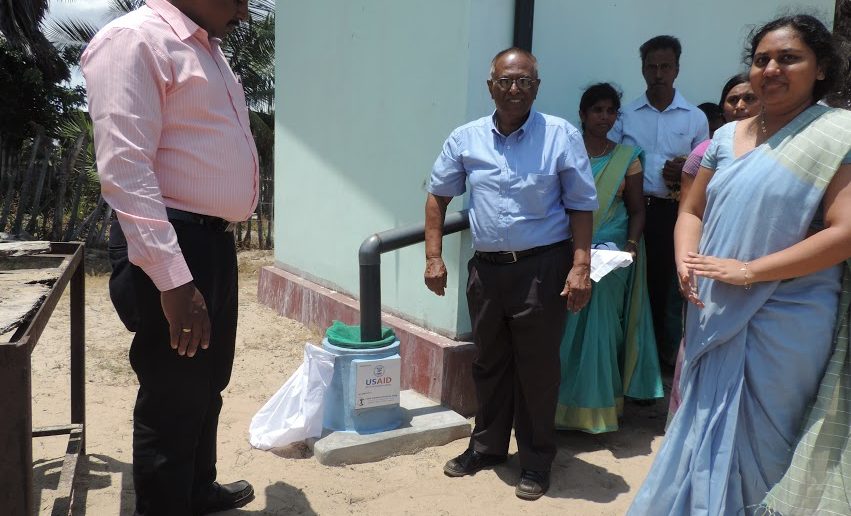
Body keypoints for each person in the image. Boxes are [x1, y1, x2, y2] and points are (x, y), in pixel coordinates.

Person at [629, 15, 851, 515]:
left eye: (789, 58)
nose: (771, 69)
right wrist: (687, 259)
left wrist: (750, 272)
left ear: (821, 69)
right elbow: (692, 209)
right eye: (761, 59)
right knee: (700, 425)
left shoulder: (837, 133)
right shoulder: (727, 136)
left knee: (768, 439)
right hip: (712, 301)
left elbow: (845, 232)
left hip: (787, 315)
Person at [82, 0, 259, 513]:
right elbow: (125, 170)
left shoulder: (207, 50)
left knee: (208, 385)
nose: (246, 13)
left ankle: (197, 490)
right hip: (171, 245)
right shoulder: (134, 40)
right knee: (173, 399)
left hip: (212, 244)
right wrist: (173, 281)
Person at [424, 47, 598, 501]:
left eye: (524, 81)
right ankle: (487, 447)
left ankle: (537, 461)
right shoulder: (466, 138)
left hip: (543, 269)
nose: (515, 89)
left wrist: (581, 267)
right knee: (489, 362)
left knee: (537, 369)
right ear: (491, 86)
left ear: (537, 86)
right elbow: (438, 196)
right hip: (487, 272)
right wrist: (433, 255)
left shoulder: (560, 135)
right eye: (506, 81)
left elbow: (581, 205)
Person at [555, 83, 662, 434]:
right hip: (568, 249)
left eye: (610, 110)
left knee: (601, 326)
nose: (604, 117)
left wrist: (630, 246)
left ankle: (597, 412)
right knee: (566, 326)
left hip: (612, 255)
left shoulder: (626, 158)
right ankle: (559, 409)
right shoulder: (565, 152)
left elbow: (636, 210)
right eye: (597, 110)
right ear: (583, 114)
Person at [666, 73, 762, 420]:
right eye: (732, 99)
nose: (739, 106)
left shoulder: (785, 150)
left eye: (748, 98)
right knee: (702, 348)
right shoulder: (709, 150)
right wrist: (686, 262)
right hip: (709, 268)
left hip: (764, 272)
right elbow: (689, 212)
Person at [609, 35, 709, 365]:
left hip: (671, 212)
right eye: (651, 67)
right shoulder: (626, 116)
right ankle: (629, 357)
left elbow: (706, 169)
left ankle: (662, 360)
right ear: (642, 70)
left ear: (677, 69)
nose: (658, 73)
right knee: (630, 284)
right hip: (632, 212)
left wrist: (684, 169)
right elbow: (611, 161)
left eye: (665, 66)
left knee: (665, 288)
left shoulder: (694, 117)